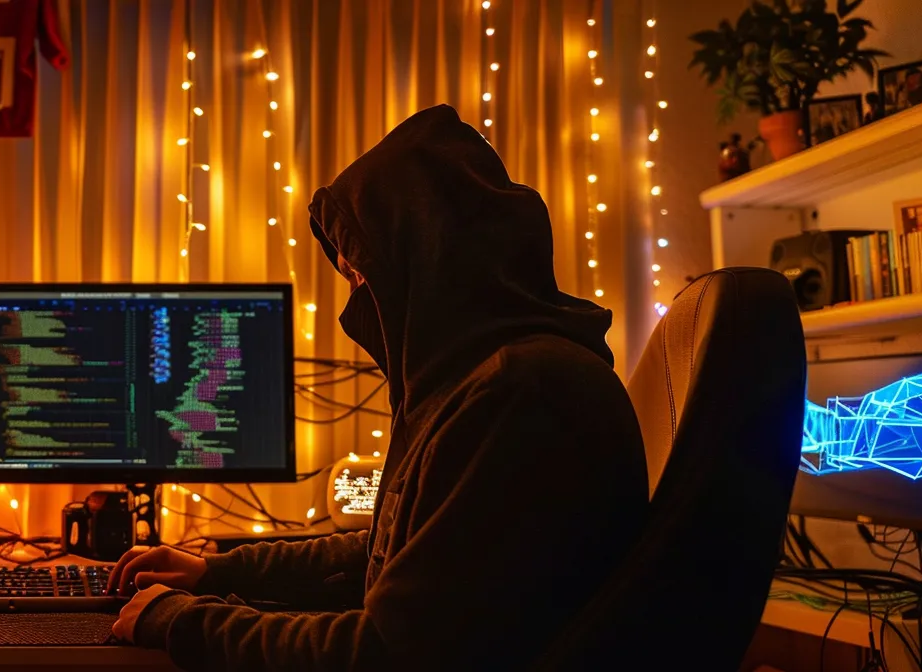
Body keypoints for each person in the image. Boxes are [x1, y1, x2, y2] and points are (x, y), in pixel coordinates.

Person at [107, 105, 649, 670]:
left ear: (429, 259)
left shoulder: (518, 395)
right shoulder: (487, 377)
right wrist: (217, 571)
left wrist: (182, 620)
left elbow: (383, 652)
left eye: (363, 276)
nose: (358, 299)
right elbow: (394, 553)